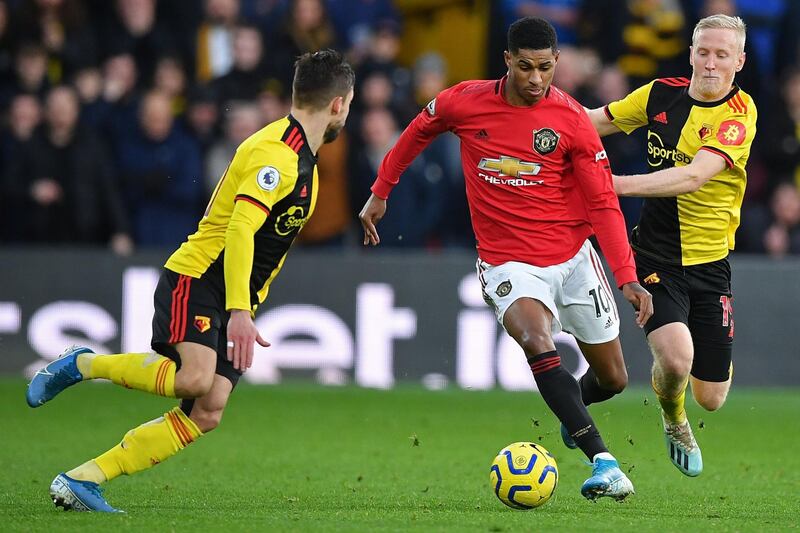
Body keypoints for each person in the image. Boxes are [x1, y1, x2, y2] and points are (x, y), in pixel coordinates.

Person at [25, 49, 355, 512]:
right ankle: (82, 364)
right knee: (195, 379)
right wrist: (239, 309)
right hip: (201, 276)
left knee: (208, 411)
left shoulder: (304, 162)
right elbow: (240, 229)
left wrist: (247, 303)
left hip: (236, 292)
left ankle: (84, 478)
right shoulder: (277, 156)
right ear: (339, 104)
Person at [359, 17, 653, 501]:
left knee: (614, 378)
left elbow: (602, 203)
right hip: (508, 262)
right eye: (525, 67)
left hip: (574, 258)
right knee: (537, 340)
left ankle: (571, 414)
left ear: (556, 63)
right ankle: (603, 459)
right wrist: (380, 191)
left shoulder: (574, 120)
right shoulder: (464, 101)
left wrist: (627, 278)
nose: (535, 78)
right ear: (507, 62)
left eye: (544, 68)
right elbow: (417, 131)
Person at [585, 14, 756, 477]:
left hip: (711, 263)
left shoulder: (740, 116)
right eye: (703, 52)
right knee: (677, 358)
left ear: (738, 61)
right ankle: (673, 418)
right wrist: (533, 120)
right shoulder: (660, 93)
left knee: (713, 397)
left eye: (722, 55)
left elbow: (693, 176)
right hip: (656, 256)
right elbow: (596, 121)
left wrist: (613, 185)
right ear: (691, 53)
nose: (710, 63)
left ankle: (688, 394)